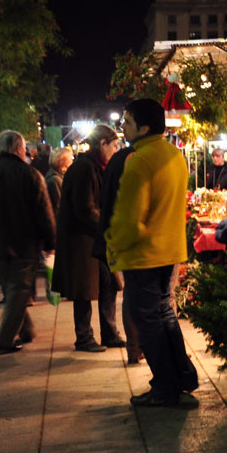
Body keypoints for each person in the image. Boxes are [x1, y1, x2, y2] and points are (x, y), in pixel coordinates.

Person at [107, 98, 198, 405]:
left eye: (127, 122)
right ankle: (182, 376)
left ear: (143, 127)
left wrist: (114, 244)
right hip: (170, 251)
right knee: (164, 315)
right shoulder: (173, 154)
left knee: (148, 323)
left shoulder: (139, 160)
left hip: (145, 255)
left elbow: (130, 219)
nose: (123, 127)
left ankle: (165, 386)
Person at [0, 130, 56, 353]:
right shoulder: (30, 174)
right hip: (22, 242)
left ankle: (27, 329)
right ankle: (4, 339)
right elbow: (43, 211)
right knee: (20, 289)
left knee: (13, 286)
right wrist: (50, 240)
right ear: (18, 149)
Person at [53, 126, 124, 352]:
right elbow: (85, 208)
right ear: (102, 144)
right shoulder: (85, 167)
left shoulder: (94, 165)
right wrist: (108, 224)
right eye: (114, 146)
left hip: (93, 238)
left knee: (108, 284)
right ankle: (84, 337)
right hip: (82, 240)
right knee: (84, 289)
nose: (116, 150)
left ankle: (110, 333)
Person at [95, 140, 140, 365]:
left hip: (121, 236)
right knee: (140, 296)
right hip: (135, 239)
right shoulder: (135, 159)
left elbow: (105, 198)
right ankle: (138, 348)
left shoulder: (117, 159)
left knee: (130, 293)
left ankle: (134, 348)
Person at [44, 147, 73, 215]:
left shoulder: (56, 177)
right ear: (63, 163)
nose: (72, 162)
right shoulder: (55, 181)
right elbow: (59, 207)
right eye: (71, 159)